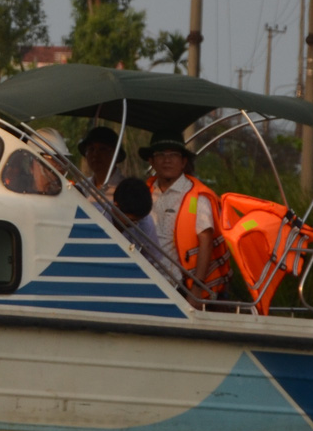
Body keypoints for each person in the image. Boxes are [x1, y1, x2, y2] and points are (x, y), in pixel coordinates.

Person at [144, 137, 230, 303]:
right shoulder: (143, 193)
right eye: (161, 154)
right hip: (146, 283)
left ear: (183, 162)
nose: (167, 160)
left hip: (179, 287)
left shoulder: (197, 196)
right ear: (152, 162)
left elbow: (206, 241)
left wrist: (197, 290)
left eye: (173, 155)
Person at [79, 125, 124, 195]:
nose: (95, 154)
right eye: (91, 149)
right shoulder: (82, 188)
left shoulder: (126, 190)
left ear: (116, 155)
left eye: (103, 149)